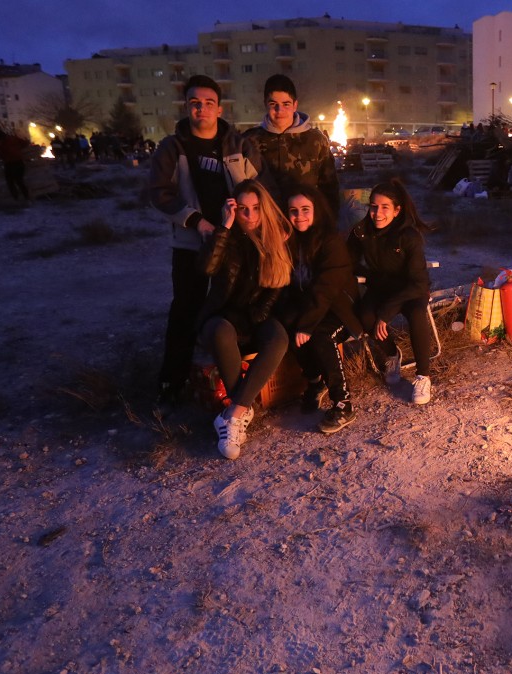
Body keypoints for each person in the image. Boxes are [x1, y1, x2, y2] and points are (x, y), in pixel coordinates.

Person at [147, 75, 266, 407]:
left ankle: (234, 380)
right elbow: (159, 193)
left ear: (219, 108)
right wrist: (195, 220)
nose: (201, 109)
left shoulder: (239, 145)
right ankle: (172, 383)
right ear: (187, 107)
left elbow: (260, 187)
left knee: (234, 306)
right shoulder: (173, 147)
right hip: (190, 244)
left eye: (208, 103)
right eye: (194, 103)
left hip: (237, 243)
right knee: (185, 310)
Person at [198, 180, 293, 459]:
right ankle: (241, 410)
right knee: (219, 332)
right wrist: (225, 227)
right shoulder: (225, 237)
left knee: (278, 338)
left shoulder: (275, 240)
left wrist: (256, 318)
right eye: (242, 209)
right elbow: (207, 268)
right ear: (233, 210)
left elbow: (275, 289)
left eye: (255, 209)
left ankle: (233, 413)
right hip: (223, 316)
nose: (250, 216)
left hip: (257, 315)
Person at [278, 184, 362, 434]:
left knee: (319, 336)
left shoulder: (330, 241)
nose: (299, 216)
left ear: (317, 210)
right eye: (293, 211)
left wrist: (307, 324)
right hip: (311, 307)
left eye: (305, 209)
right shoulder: (291, 241)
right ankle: (315, 382)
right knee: (286, 325)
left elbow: (326, 289)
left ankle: (343, 403)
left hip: (340, 309)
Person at [346, 179, 435, 406]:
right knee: (365, 316)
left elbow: (419, 282)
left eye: (385, 207)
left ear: (397, 211)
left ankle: (423, 376)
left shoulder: (409, 236)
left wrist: (386, 313)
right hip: (382, 287)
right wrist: (367, 273)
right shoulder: (361, 232)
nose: (377, 213)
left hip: (410, 290)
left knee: (416, 314)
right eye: (374, 206)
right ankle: (392, 355)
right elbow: (348, 261)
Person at [245, 74, 340, 216]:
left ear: (295, 105)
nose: (279, 110)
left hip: (305, 223)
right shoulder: (250, 140)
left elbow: (329, 187)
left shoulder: (316, 140)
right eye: (273, 104)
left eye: (286, 104)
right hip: (267, 223)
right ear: (265, 104)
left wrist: (328, 222)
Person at [0, 128, 31, 202]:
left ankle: (16, 198)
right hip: (19, 163)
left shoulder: (0, 144)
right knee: (19, 181)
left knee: (10, 182)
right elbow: (24, 143)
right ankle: (27, 198)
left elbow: (2, 155)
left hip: (10, 165)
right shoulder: (13, 138)